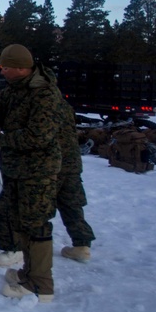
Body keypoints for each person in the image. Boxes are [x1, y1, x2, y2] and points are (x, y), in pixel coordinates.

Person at [0, 44, 61, 302]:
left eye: (5, 67)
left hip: (37, 173)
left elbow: (39, 135)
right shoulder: (13, 92)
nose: (2, 72)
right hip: (16, 171)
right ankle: (28, 273)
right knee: (22, 223)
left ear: (20, 67)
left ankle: (40, 285)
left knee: (36, 225)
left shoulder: (44, 94)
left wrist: (0, 140)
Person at [54, 91, 96, 262]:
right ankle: (82, 244)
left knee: (38, 207)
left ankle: (25, 247)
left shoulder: (38, 103)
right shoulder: (62, 103)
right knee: (72, 204)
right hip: (71, 161)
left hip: (50, 163)